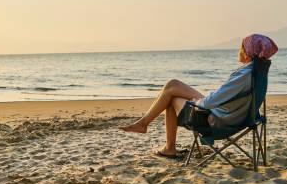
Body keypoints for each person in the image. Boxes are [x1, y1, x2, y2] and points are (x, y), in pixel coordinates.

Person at [119, 34, 278, 158]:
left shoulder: (244, 75)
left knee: (171, 98)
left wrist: (198, 102)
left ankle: (166, 145)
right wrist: (201, 101)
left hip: (217, 121)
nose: (239, 51)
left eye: (241, 47)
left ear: (248, 52)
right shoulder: (257, 72)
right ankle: (144, 124)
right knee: (172, 84)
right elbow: (221, 98)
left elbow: (212, 102)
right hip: (235, 117)